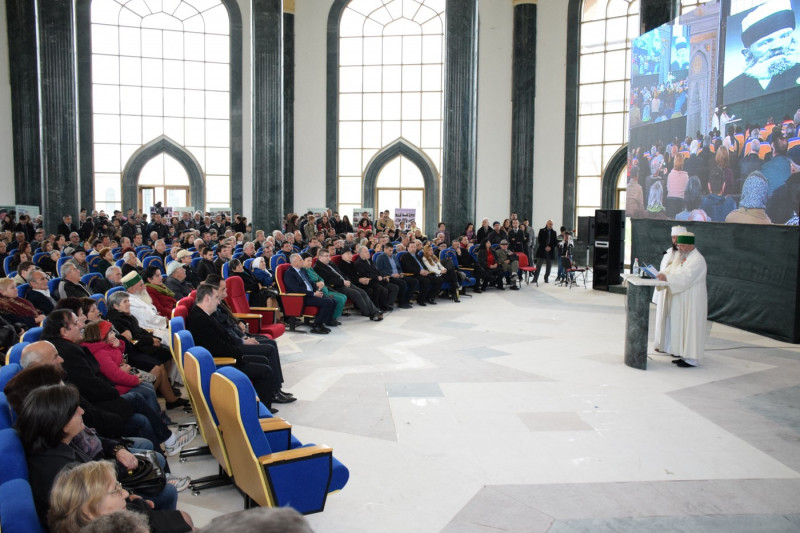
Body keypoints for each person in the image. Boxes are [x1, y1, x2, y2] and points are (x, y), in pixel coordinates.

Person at [18, 386, 193, 531]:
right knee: (180, 512)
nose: (82, 411)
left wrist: (119, 453)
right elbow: (93, 512)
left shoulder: (57, 444)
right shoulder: (61, 471)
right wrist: (138, 504)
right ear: (59, 421)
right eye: (74, 411)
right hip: (106, 522)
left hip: (110, 504)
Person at [186, 283, 281, 410]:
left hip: (228, 355)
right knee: (265, 370)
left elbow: (224, 339)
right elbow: (218, 348)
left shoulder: (205, 315)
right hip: (223, 363)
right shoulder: (200, 320)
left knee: (263, 360)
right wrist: (240, 353)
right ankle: (261, 412)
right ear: (207, 298)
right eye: (216, 298)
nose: (219, 303)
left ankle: (260, 405)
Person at [724, 0, 800, 103]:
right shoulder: (732, 89)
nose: (778, 46)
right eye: (766, 42)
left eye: (784, 36)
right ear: (747, 53)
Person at [656, 232, 708, 367]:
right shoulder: (683, 256)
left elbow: (686, 276)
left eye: (683, 245)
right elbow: (673, 270)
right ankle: (684, 355)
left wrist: (668, 278)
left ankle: (692, 359)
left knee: (691, 327)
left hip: (693, 300)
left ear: (691, 245)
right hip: (682, 297)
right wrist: (663, 274)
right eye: (679, 245)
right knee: (682, 327)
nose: (680, 248)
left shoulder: (697, 259)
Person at [313, 248, 383, 320]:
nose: (328, 258)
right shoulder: (317, 268)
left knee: (362, 292)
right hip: (336, 286)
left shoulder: (330, 263)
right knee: (356, 294)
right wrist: (343, 282)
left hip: (344, 282)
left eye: (328, 255)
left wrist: (347, 280)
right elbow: (328, 280)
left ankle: (374, 310)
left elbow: (340, 273)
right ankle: (370, 314)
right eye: (326, 256)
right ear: (320, 257)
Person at [652, 226, 685, 355]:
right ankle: (661, 344)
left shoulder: (685, 255)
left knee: (673, 320)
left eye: (677, 237)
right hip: (664, 291)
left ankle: (673, 347)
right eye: (673, 237)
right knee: (662, 318)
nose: (675, 240)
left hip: (676, 292)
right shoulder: (668, 252)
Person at [283, 253, 336, 334]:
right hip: (301, 297)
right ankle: (316, 326)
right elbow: (297, 289)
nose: (302, 261)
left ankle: (323, 323)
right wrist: (313, 294)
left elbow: (311, 282)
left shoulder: (303, 270)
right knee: (327, 302)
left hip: (311, 294)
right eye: (300, 260)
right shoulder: (289, 273)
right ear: (294, 263)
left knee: (332, 300)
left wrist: (316, 291)